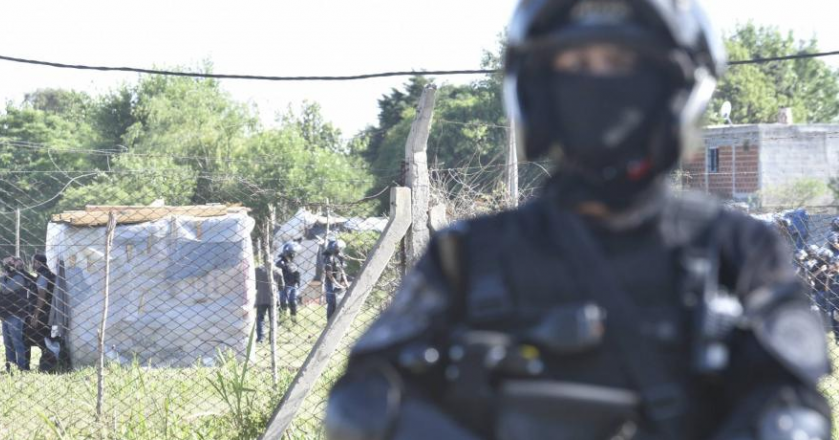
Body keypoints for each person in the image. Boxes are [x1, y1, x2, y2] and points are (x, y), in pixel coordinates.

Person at [325, 1, 832, 439]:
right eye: (575, 63)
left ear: (672, 85)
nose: (596, 82)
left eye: (618, 61)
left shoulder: (737, 248)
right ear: (538, 89)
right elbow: (362, 406)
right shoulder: (468, 254)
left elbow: (795, 416)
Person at [0, 256, 32, 372]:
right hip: (6, 314)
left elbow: (6, 290)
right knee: (7, 343)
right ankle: (10, 367)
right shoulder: (9, 277)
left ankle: (21, 367)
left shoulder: (19, 277)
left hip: (16, 315)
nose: (8, 265)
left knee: (17, 342)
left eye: (12, 263)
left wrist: (1, 278)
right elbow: (3, 295)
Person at [26, 253, 59, 372]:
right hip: (49, 314)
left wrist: (36, 315)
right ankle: (48, 365)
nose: (32, 264)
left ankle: (47, 366)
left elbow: (41, 296)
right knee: (47, 340)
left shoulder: (43, 276)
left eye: (34, 262)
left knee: (41, 339)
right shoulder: (49, 274)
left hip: (43, 315)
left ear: (38, 263)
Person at [275, 242, 303, 321]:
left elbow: (297, 274)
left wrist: (297, 282)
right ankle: (282, 319)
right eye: (293, 253)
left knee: (293, 303)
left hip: (293, 286)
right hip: (284, 286)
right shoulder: (280, 263)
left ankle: (293, 320)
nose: (294, 255)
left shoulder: (293, 263)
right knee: (283, 303)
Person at [323, 238, 349, 320]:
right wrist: (337, 284)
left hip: (339, 282)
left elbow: (342, 271)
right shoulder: (328, 258)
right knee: (331, 302)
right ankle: (329, 321)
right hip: (330, 283)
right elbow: (329, 275)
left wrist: (346, 283)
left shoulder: (340, 257)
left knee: (340, 302)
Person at [254, 266, 276, 343]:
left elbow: (255, 285)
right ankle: (272, 338)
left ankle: (260, 338)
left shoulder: (257, 270)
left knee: (260, 319)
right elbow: (282, 286)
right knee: (273, 319)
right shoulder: (277, 270)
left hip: (261, 298)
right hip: (273, 298)